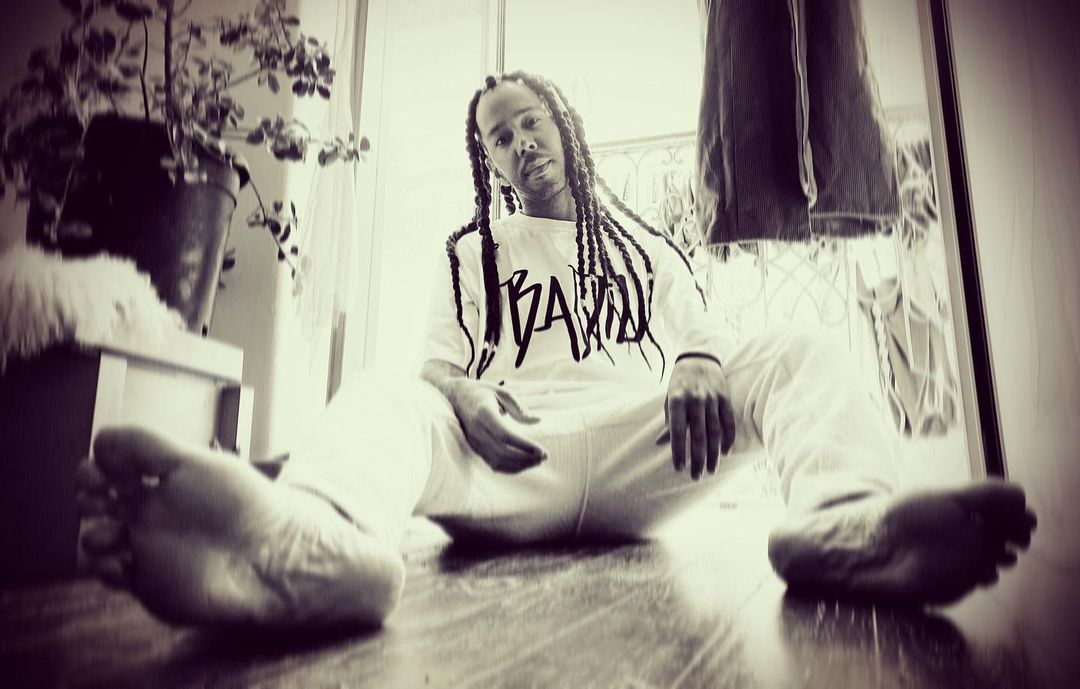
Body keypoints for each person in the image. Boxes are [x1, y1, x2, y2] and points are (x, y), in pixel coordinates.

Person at [75, 72, 1036, 629]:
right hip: (508, 460)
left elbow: (708, 337)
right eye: (497, 137)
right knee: (383, 393)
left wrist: (697, 362)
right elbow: (435, 365)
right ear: (487, 160)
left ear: (564, 127)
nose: (517, 142)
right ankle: (308, 539)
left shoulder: (645, 245)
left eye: (529, 121)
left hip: (641, 456)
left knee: (798, 346)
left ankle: (845, 523)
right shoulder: (470, 253)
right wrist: (462, 396)